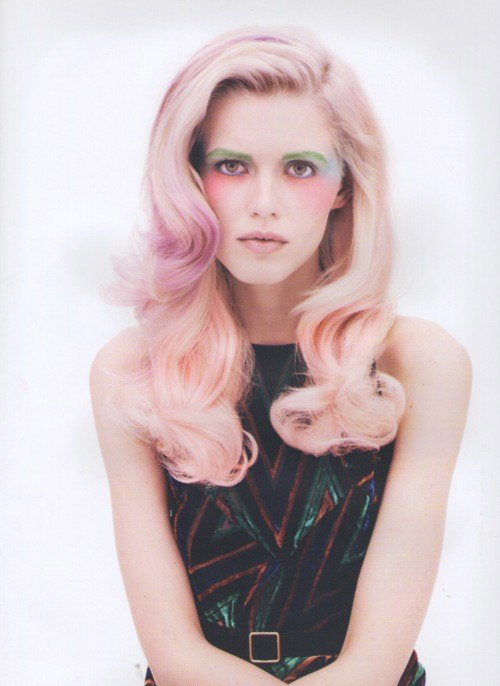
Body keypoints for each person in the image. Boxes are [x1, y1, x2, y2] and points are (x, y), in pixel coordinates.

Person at [89, 26, 472, 685]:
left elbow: (375, 662)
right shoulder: (133, 372)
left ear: (344, 185)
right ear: (190, 179)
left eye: (300, 169)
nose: (263, 204)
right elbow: (173, 653)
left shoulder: (417, 364)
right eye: (232, 166)